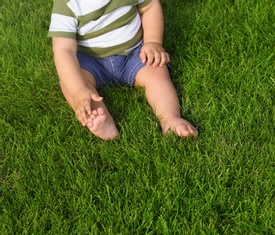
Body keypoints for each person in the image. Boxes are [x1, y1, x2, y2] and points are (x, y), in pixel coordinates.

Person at [48, 0, 197, 140]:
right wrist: (79, 90)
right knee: (71, 84)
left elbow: (150, 7)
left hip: (133, 53)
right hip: (90, 61)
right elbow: (64, 50)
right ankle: (100, 118)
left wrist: (153, 42)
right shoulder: (67, 4)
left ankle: (170, 117)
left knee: (156, 71)